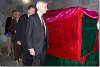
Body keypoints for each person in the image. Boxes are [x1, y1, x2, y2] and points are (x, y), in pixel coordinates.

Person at [27, 1, 48, 66]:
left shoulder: (43, 18)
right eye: (45, 7)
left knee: (43, 63)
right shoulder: (32, 18)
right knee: (36, 64)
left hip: (44, 46)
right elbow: (28, 34)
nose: (47, 9)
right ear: (40, 7)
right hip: (36, 47)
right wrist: (30, 48)